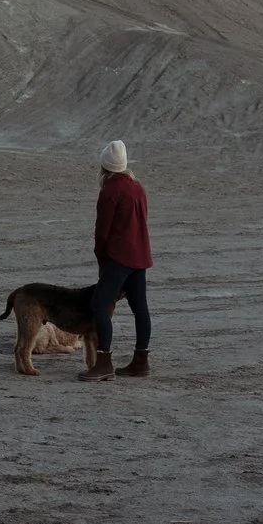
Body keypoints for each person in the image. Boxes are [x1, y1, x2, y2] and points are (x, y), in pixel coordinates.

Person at [82, 139, 152, 381]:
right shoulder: (137, 187)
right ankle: (141, 360)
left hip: (119, 258)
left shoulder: (110, 192)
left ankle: (104, 362)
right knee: (140, 309)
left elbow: (102, 232)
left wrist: (101, 258)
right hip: (140, 257)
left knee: (100, 305)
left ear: (105, 167)